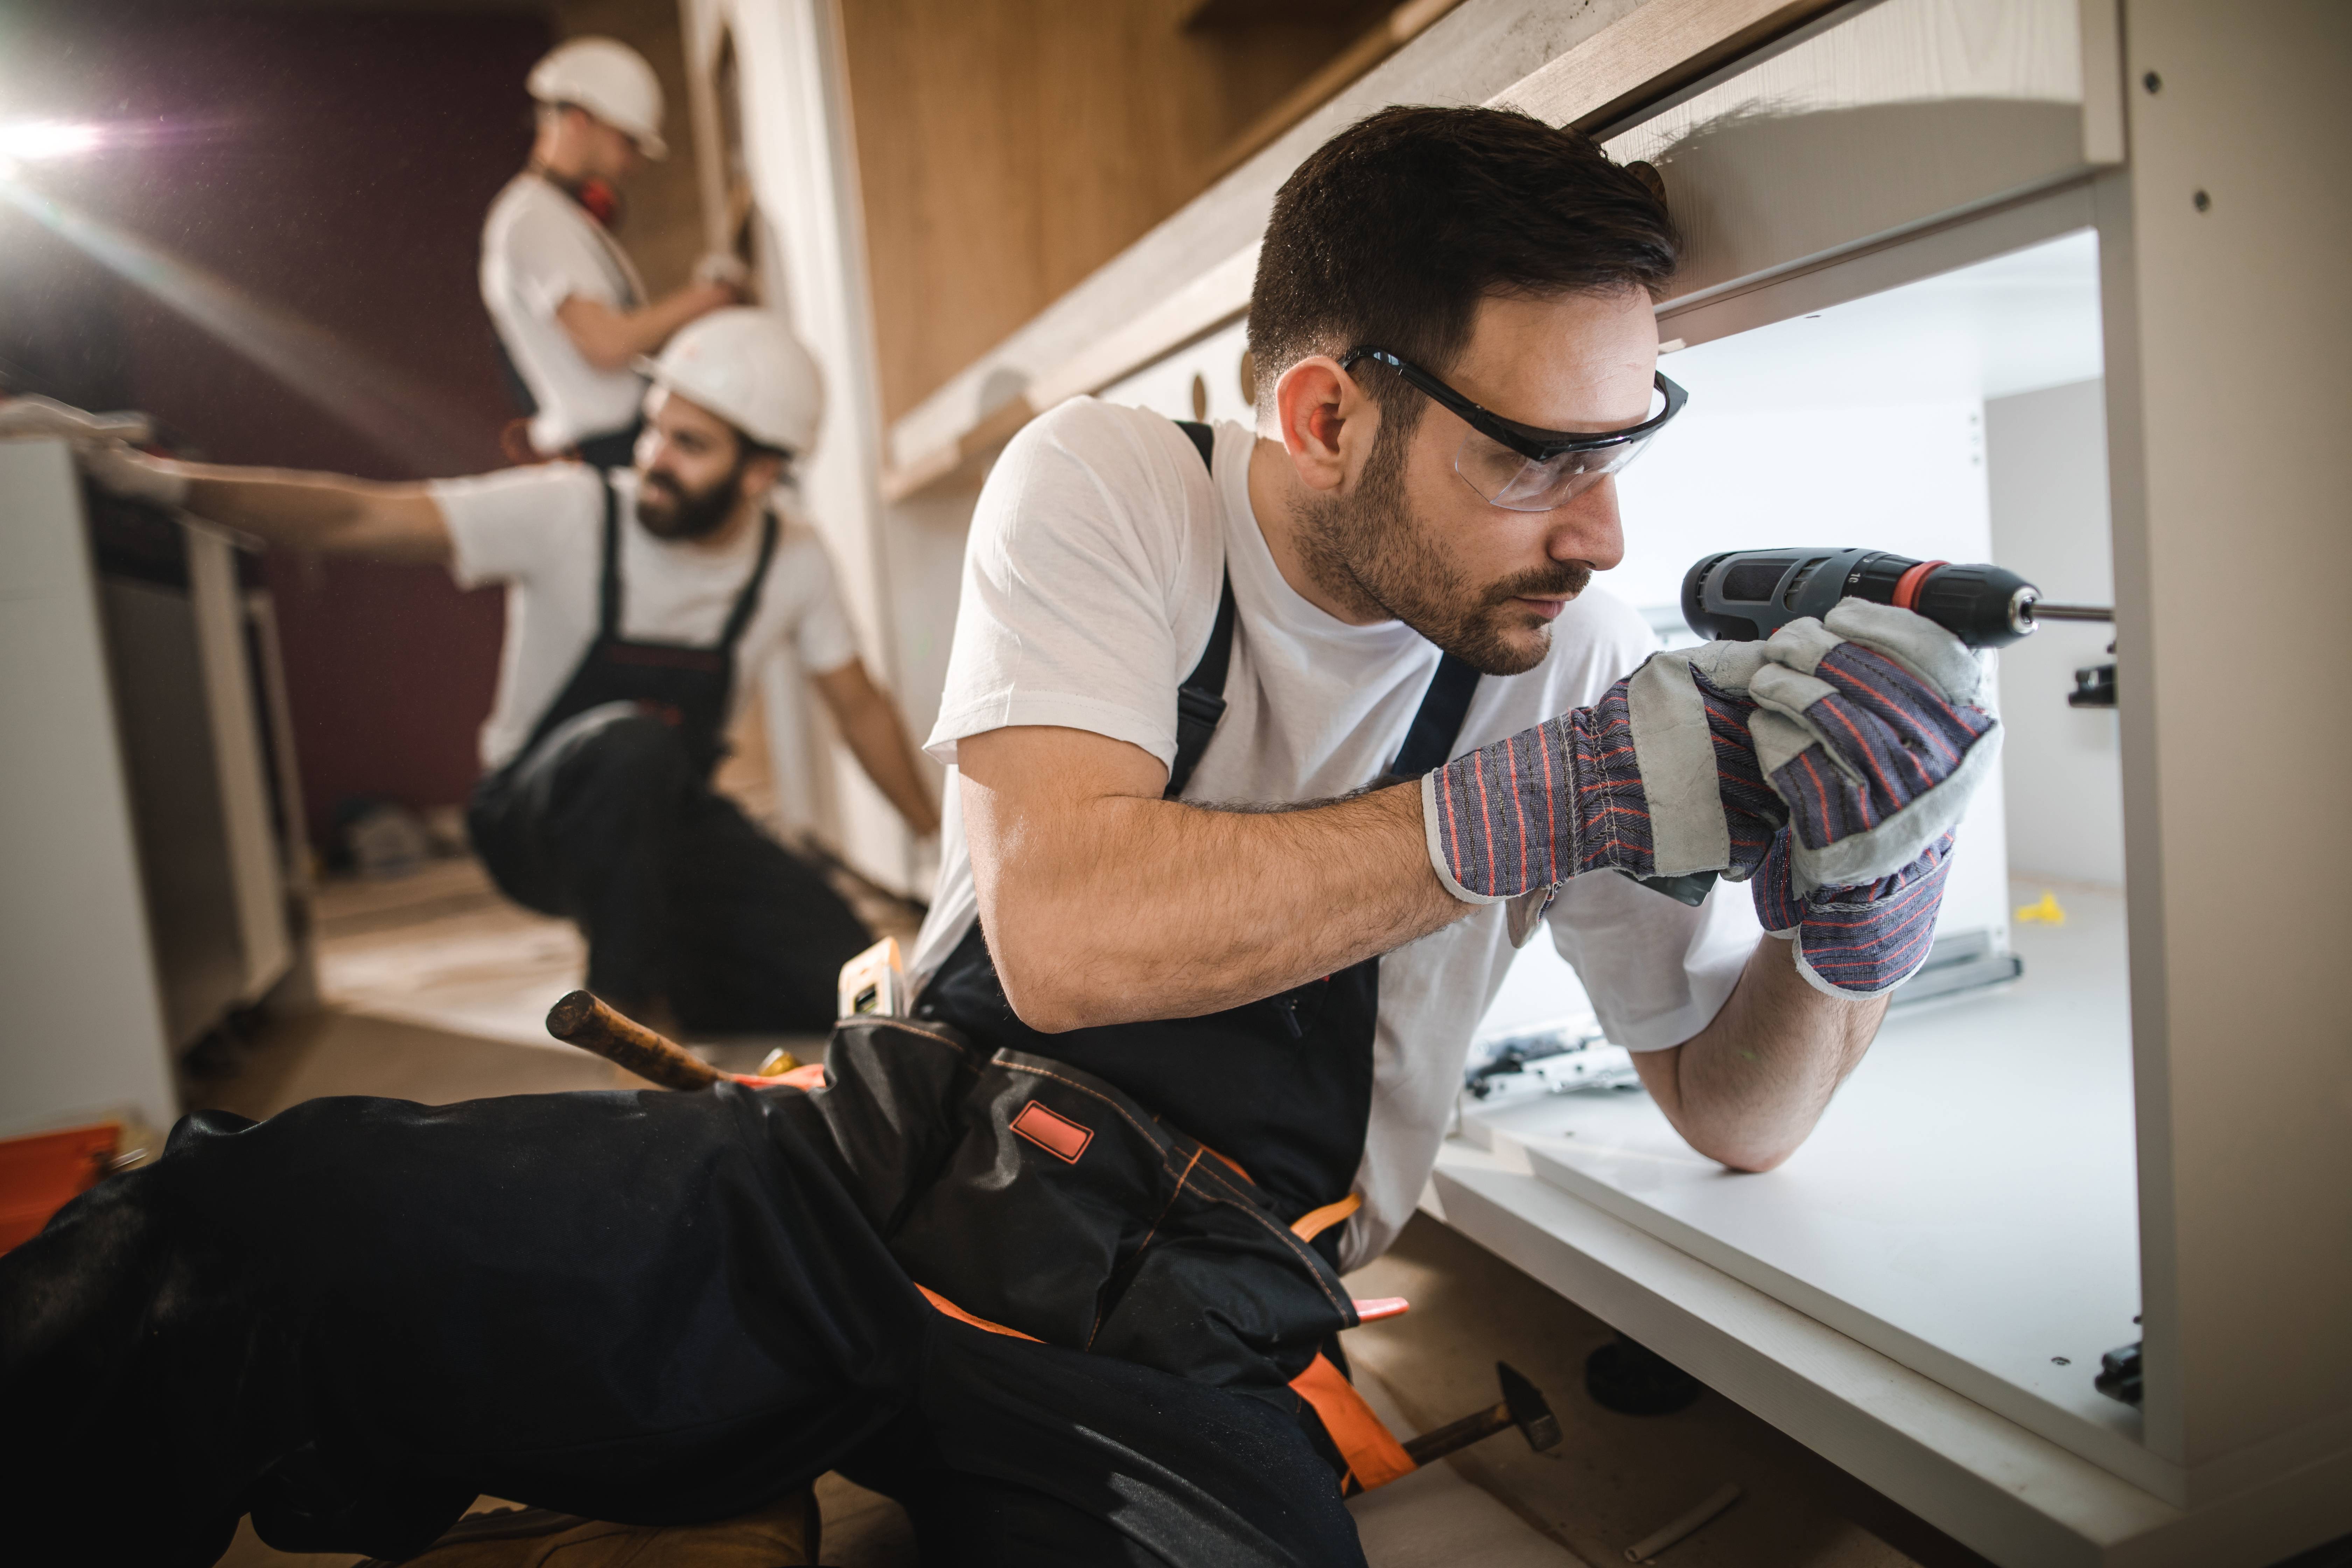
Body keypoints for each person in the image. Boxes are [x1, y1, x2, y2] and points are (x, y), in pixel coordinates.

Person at [2, 109, 1997, 1568]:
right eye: (1531, 454)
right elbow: (1063, 937)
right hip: (859, 1189)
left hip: (1180, 1339)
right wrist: (1538, 804)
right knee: (239, 1235)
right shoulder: (1119, 488)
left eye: (1623, 443)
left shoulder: (1578, 653)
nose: (1602, 530)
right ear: (1322, 415)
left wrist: (1861, 920)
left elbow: (1736, 1114)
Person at [75, 307, 938, 1034]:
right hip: (532, 818)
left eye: (690, 444)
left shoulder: (795, 558)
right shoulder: (568, 511)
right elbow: (358, 518)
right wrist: (158, 483)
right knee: (630, 750)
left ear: (762, 474)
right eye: (653, 429)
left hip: (667, 818)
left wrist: (936, 846)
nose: (652, 460)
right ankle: (627, 1020)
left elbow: (859, 706)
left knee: (848, 978)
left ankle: (674, 968)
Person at [482, 36, 745, 468]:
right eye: (627, 140)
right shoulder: (532, 218)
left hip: (617, 444)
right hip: (607, 451)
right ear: (581, 121)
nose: (634, 162)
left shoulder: (558, 216)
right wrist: (709, 298)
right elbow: (606, 343)